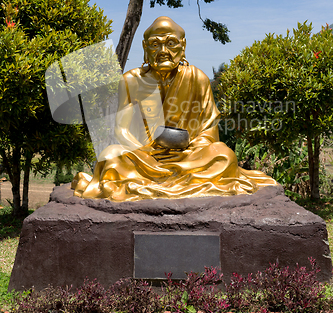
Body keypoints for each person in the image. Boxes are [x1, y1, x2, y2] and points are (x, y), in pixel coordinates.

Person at [71, 16, 278, 201]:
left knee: (224, 156)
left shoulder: (197, 79)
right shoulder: (131, 81)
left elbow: (209, 131)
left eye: (171, 43)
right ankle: (171, 182)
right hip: (143, 157)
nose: (163, 52)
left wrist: (188, 150)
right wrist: (147, 151)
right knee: (111, 155)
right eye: (155, 44)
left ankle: (163, 182)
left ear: (183, 46)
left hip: (188, 157)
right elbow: (121, 130)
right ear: (145, 47)